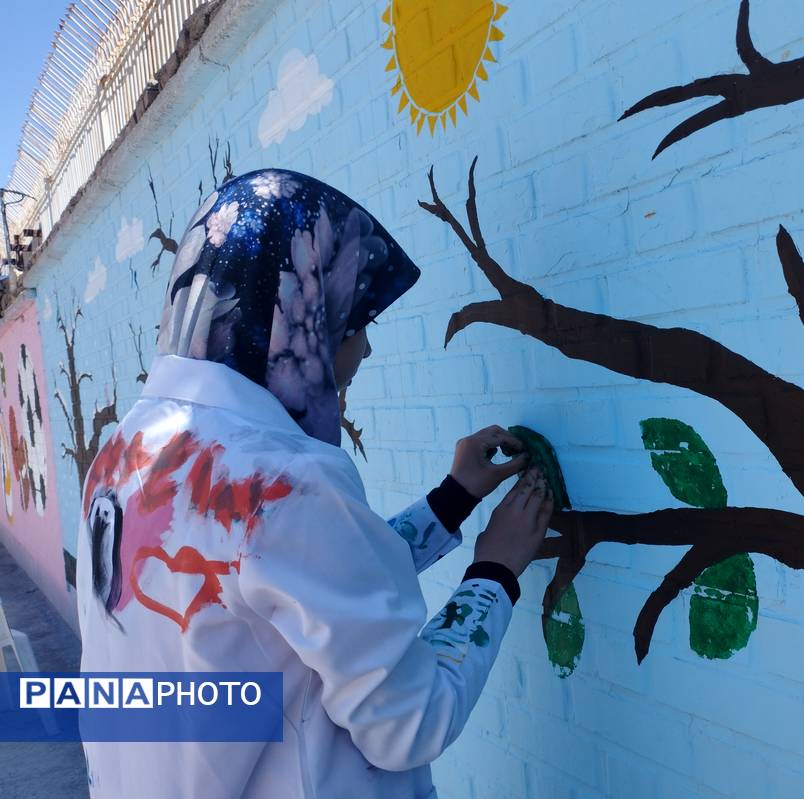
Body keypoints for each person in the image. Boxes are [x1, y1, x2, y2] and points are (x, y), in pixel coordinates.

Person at [74, 168, 552, 798]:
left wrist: (449, 502)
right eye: (358, 323)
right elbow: (409, 720)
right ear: (297, 316)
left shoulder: (124, 453)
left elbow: (288, 598)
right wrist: (494, 576)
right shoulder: (283, 482)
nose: (363, 353)